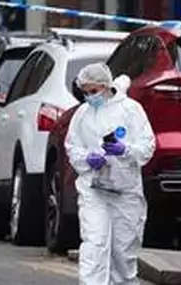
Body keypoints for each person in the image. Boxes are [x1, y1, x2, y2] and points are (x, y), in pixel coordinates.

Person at [65, 64, 156, 285]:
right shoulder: (82, 113)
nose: (89, 97)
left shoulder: (130, 109)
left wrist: (126, 151)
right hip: (93, 190)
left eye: (93, 91)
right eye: (85, 92)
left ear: (106, 86)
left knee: (123, 254)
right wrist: (87, 158)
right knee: (94, 246)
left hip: (125, 193)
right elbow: (72, 146)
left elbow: (147, 146)